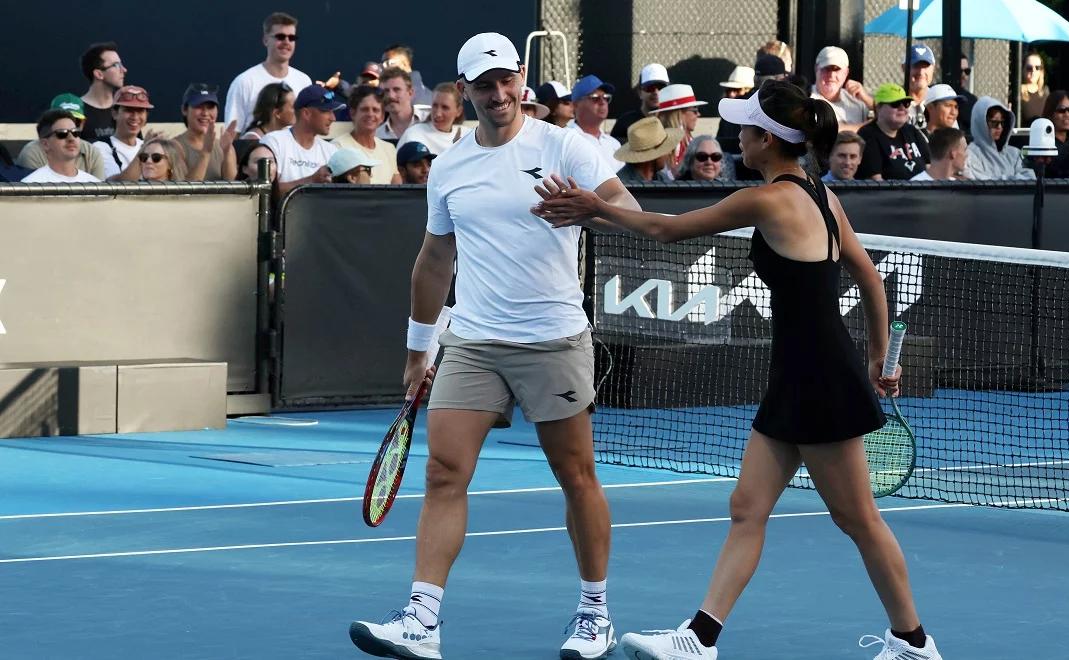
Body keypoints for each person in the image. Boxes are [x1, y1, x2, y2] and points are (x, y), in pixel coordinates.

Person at [531, 78, 942, 660]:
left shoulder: (768, 198)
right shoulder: (824, 196)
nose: (736, 137)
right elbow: (871, 280)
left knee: (859, 519)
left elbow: (666, 230)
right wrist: (878, 357)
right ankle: (700, 638)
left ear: (767, 140)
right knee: (747, 509)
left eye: (745, 129)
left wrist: (595, 206)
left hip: (819, 378)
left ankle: (914, 643)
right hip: (805, 372)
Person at [347, 31, 641, 660]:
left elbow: (628, 208)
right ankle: (422, 619)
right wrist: (416, 348)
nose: (499, 93)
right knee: (443, 472)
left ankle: (596, 613)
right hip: (474, 341)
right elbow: (435, 258)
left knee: (576, 476)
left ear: (521, 81)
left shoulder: (565, 146)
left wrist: (588, 206)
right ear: (465, 93)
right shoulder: (450, 165)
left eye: (507, 80)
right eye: (485, 85)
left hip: (553, 340)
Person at [225, 12, 312, 129]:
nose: (286, 42)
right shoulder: (244, 82)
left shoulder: (304, 81)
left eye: (291, 38)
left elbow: (309, 128)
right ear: (265, 40)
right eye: (280, 37)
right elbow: (233, 134)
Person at [260, 84, 343, 194]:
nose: (333, 118)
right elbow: (264, 190)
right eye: (326, 111)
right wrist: (311, 180)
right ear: (306, 113)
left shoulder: (331, 151)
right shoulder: (274, 142)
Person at [16, 95, 108, 179]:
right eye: (62, 132)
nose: (71, 137)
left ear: (83, 124)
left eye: (75, 128)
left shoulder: (92, 152)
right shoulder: (32, 153)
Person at [856, 84, 930, 181]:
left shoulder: (911, 130)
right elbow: (876, 181)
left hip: (923, 192)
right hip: (890, 195)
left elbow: (930, 167)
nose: (902, 108)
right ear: (878, 108)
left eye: (906, 103)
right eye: (895, 104)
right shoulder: (867, 135)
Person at [333, 86, 401, 184]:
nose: (370, 114)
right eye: (365, 109)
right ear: (352, 113)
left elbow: (397, 188)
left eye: (375, 110)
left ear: (382, 117)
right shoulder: (338, 146)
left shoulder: (389, 149)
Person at [174, 84, 238, 181]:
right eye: (199, 107)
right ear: (184, 110)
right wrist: (206, 152)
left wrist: (227, 152)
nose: (205, 113)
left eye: (210, 107)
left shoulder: (224, 146)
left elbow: (233, 186)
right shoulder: (174, 147)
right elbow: (186, 192)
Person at [22, 109, 102, 183]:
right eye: (62, 133)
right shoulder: (31, 184)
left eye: (75, 133)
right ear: (45, 144)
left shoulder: (94, 183)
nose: (71, 138)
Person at [965, 99, 1034, 180]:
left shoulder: (1014, 153)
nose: (999, 127)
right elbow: (980, 184)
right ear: (981, 123)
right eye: (994, 123)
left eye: (1002, 123)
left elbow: (1030, 179)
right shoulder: (970, 154)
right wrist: (1014, 179)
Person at [567, 74, 623, 173]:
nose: (602, 102)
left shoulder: (614, 144)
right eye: (595, 97)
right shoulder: (566, 139)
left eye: (606, 97)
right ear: (576, 105)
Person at [98, 86, 155, 180]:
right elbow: (117, 185)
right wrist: (144, 150)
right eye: (128, 110)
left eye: (140, 111)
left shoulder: (147, 145)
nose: (135, 117)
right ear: (114, 113)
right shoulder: (101, 147)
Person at [810, 46, 872, 132]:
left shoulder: (857, 101)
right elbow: (828, 131)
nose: (831, 75)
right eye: (827, 69)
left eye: (837, 70)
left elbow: (888, 118)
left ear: (846, 72)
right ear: (816, 69)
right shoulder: (806, 98)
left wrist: (867, 99)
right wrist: (869, 126)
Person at [649, 83, 706, 171]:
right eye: (694, 110)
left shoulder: (691, 142)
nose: (698, 114)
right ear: (679, 114)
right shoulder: (657, 144)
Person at [78, 42, 126, 142]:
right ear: (99, 74)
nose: (124, 70)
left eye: (121, 64)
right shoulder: (76, 111)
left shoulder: (125, 110)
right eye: (116, 65)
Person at [399, 82, 464, 155]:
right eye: (435, 106)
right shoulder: (413, 134)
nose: (438, 113)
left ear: (458, 111)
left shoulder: (467, 135)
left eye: (445, 107)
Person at [611, 63, 669, 143]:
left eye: (661, 87)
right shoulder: (625, 122)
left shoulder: (673, 121)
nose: (656, 92)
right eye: (650, 88)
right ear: (640, 92)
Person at [613, 116, 682, 183]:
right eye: (664, 149)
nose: (669, 152)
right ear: (653, 156)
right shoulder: (621, 184)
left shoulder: (662, 179)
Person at [378, 67, 417, 141]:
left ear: (410, 93)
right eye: (386, 91)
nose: (391, 96)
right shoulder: (377, 135)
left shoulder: (429, 119)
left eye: (396, 90)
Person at [904, 44, 936, 131]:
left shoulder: (939, 100)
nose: (921, 71)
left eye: (926, 66)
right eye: (916, 66)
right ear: (904, 68)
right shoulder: (895, 102)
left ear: (933, 69)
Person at [1020, 52, 1050, 126]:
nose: (1033, 71)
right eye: (1029, 68)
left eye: (1037, 68)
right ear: (1022, 70)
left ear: (1041, 71)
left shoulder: (1046, 91)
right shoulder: (1018, 91)